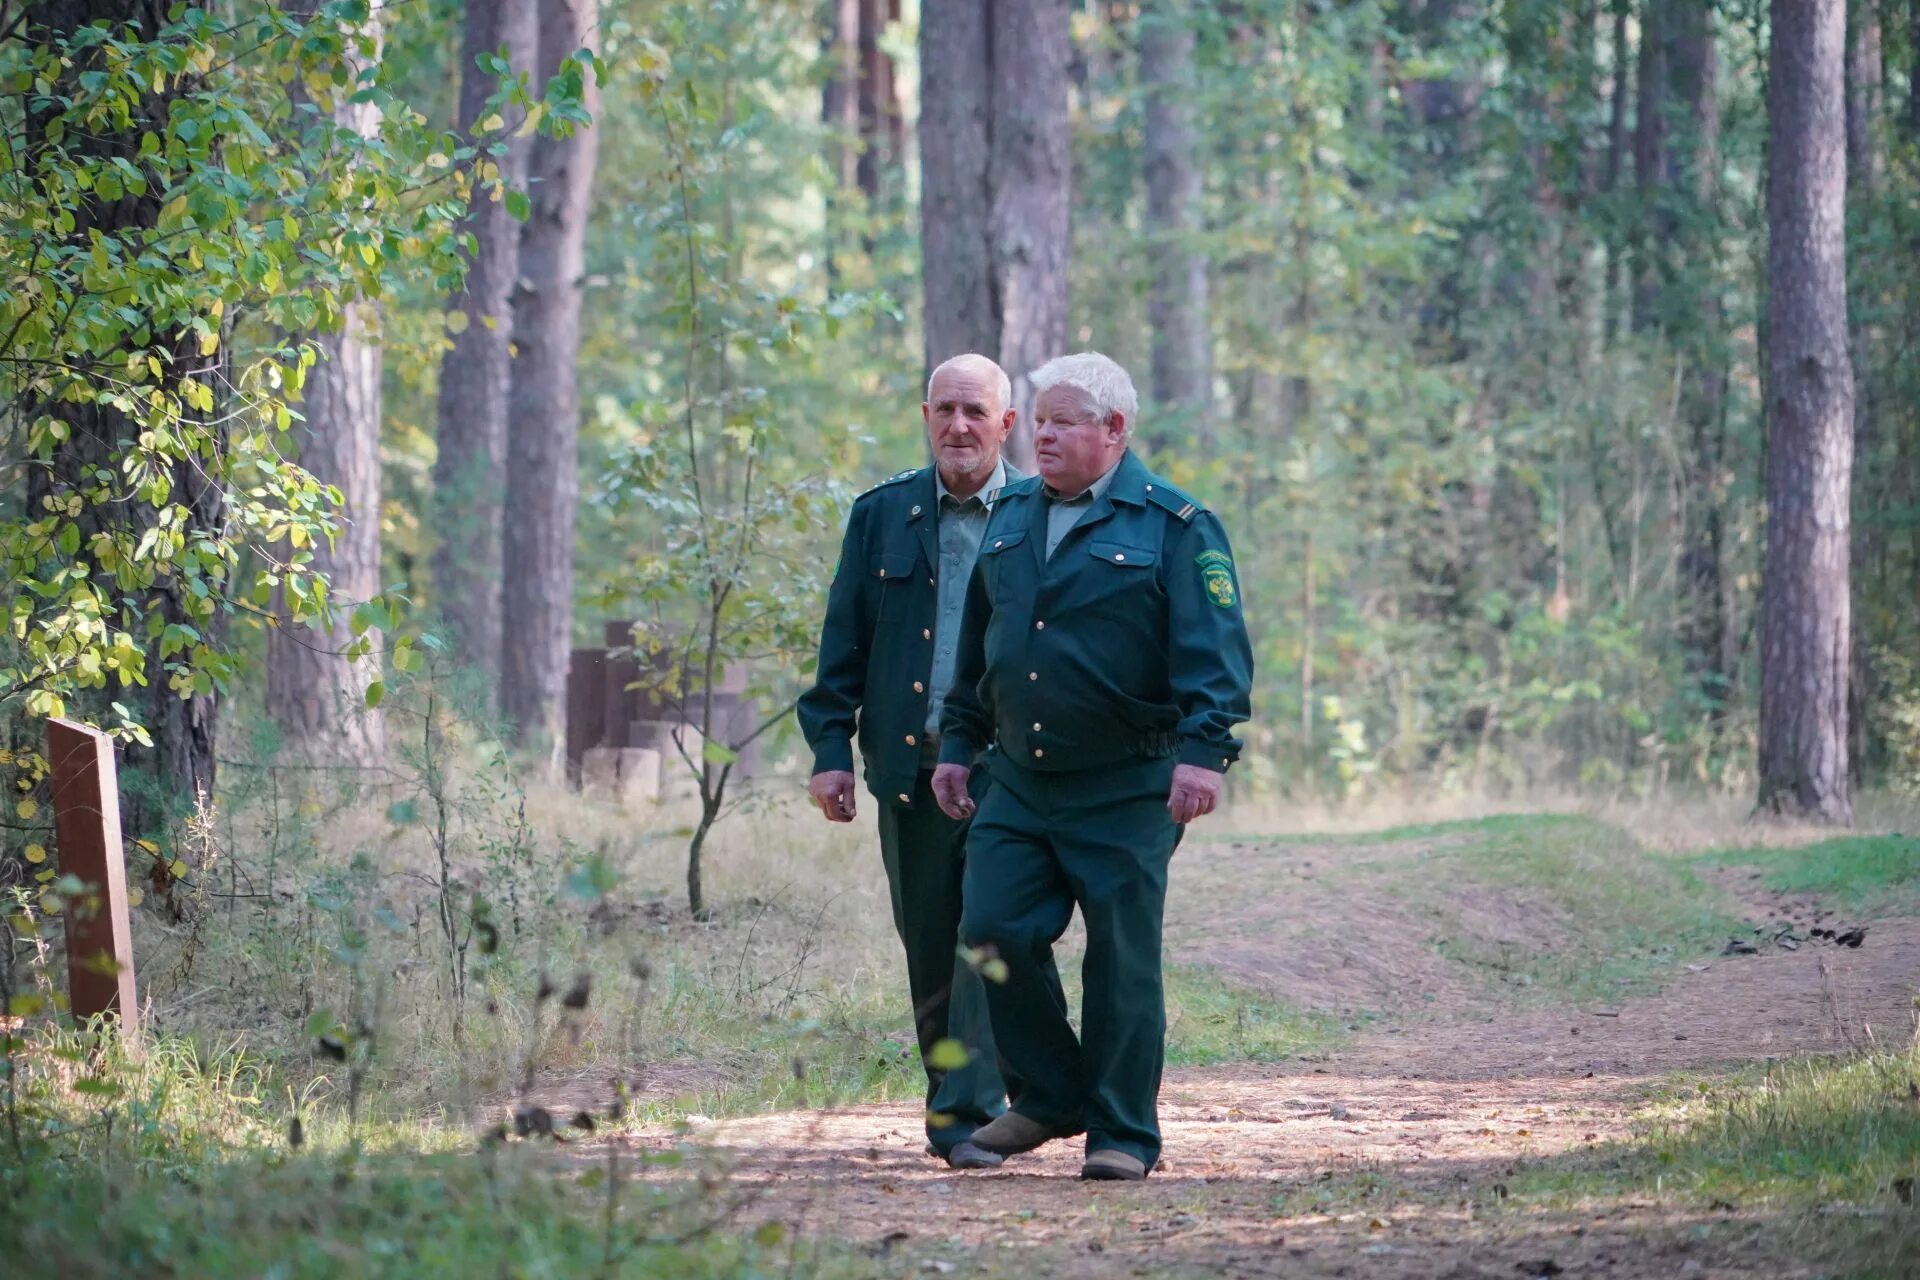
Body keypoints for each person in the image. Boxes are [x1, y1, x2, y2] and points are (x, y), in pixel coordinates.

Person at [931, 351, 1253, 1182]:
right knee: (991, 930)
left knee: (1120, 957)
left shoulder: (1176, 527)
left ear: (1114, 430)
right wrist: (958, 745)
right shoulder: (1009, 519)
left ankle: (1121, 1133)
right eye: (1039, 421)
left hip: (1128, 784)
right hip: (1021, 779)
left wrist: (1204, 755)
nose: (1043, 437)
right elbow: (980, 651)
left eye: (1063, 422)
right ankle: (1051, 1094)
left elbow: (1215, 658)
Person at [796, 353, 1027, 1171]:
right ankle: (960, 1106)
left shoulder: (1040, 514)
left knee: (988, 930)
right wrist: (830, 749)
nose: (959, 427)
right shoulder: (882, 516)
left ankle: (974, 1116)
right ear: (926, 415)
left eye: (977, 412)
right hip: (909, 769)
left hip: (1010, 772)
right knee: (931, 944)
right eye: (945, 410)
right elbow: (842, 645)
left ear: (1007, 424)